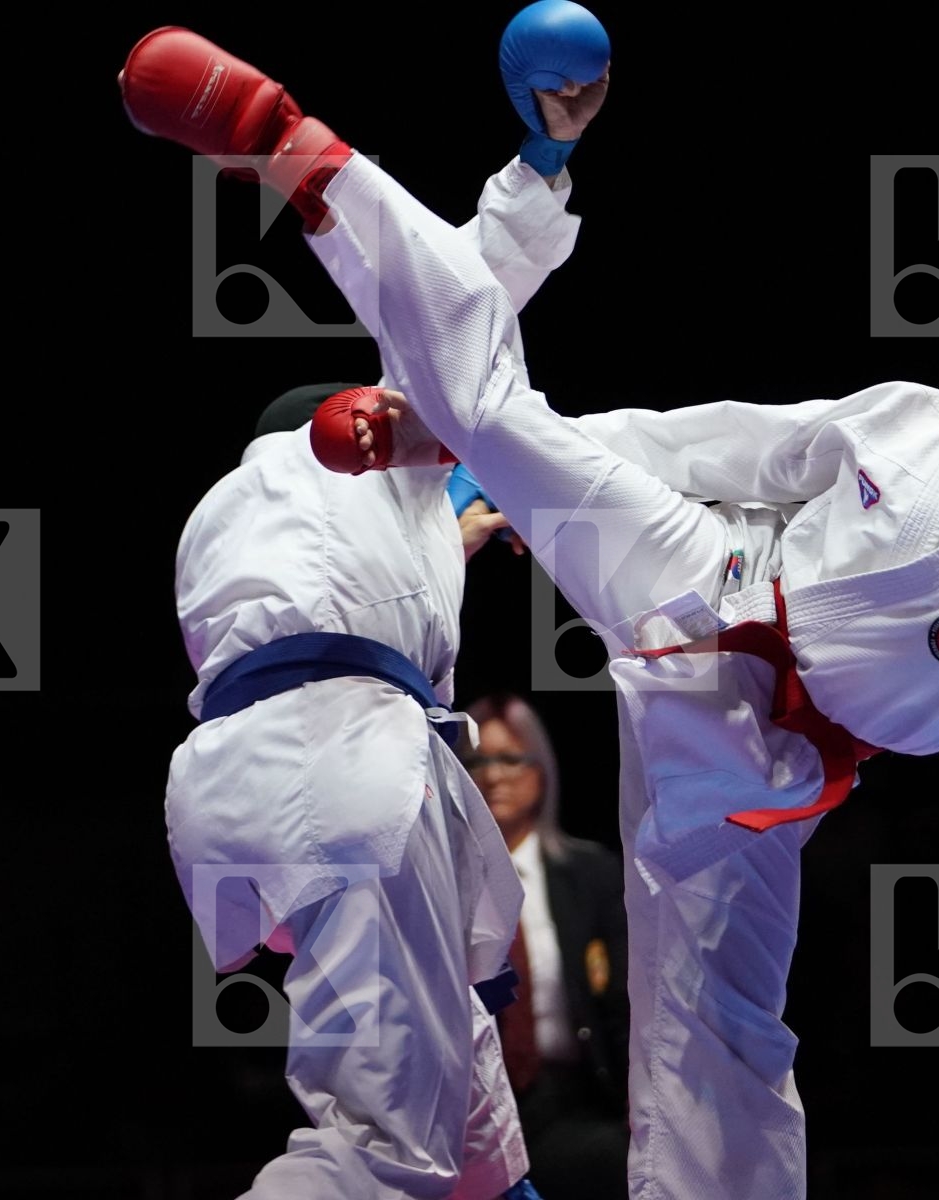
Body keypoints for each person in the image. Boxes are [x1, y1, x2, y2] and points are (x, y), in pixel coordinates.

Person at [118, 22, 939, 1200]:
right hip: (702, 570)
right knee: (495, 406)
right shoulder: (907, 424)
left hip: (762, 767)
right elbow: (725, 444)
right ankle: (296, 148)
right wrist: (469, 449)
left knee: (720, 1036)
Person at [154, 23, 606, 1196]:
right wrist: (543, 160)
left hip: (238, 788)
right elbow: (460, 306)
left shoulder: (222, 526)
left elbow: (356, 589)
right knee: (379, 1149)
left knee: (471, 1130)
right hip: (342, 766)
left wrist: (453, 522)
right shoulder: (356, 452)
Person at [464, 692, 630, 1200]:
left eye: (510, 758)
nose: (494, 776)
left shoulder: (592, 875)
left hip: (574, 1102)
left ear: (541, 772)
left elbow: (625, 1004)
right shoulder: (441, 883)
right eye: (477, 762)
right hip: (474, 1111)